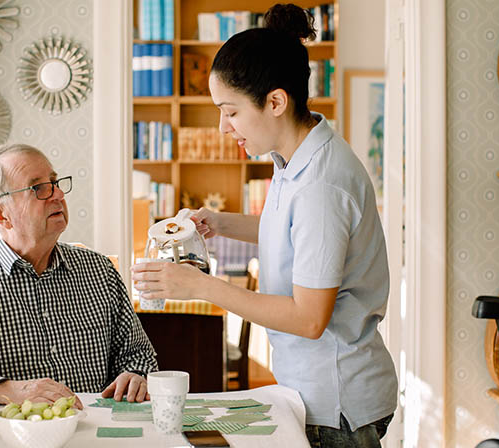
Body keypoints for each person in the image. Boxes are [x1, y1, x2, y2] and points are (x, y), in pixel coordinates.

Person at [132, 4, 397, 447]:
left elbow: (310, 319)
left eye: (230, 112)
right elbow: (292, 231)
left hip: (338, 403)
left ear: (275, 101)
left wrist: (200, 286)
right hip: (318, 390)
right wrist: (218, 223)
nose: (221, 127)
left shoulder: (321, 185)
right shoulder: (296, 158)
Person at [0, 143, 158, 408]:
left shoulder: (100, 272)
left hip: (96, 433)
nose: (58, 194)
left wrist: (136, 376)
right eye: (39, 188)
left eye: (54, 181)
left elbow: (139, 355)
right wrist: (3, 390)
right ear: (1, 215)